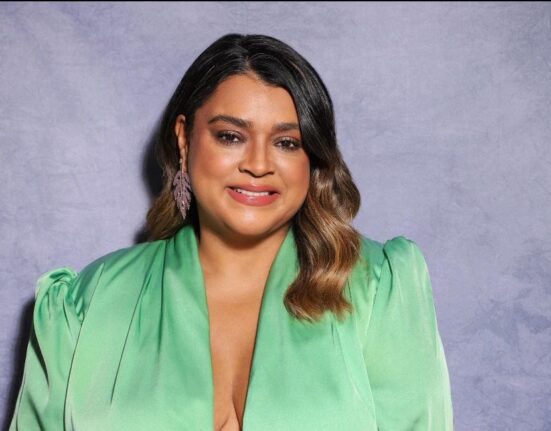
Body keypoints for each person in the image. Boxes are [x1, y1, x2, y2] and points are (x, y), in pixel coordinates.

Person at [9, 33, 454, 431]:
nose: (258, 164)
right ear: (184, 139)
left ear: (312, 158)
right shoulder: (85, 304)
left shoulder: (379, 290)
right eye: (230, 136)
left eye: (287, 143)